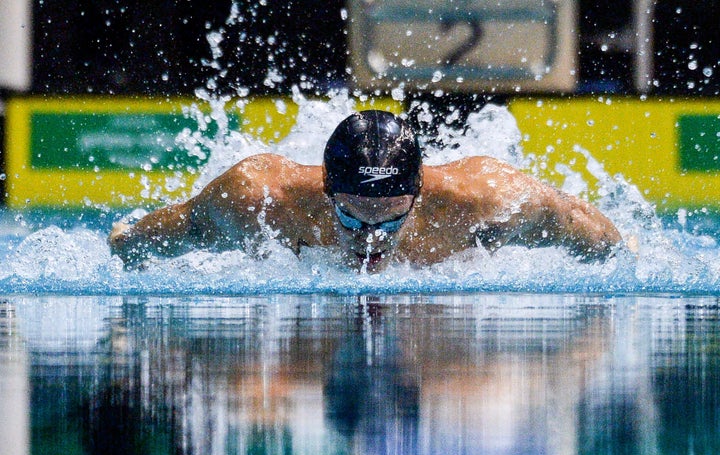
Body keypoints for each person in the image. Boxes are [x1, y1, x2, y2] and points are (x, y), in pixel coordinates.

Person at [109, 110, 622, 272]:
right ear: (327, 188)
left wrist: (624, 252)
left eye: (391, 219)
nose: (372, 237)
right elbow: (171, 232)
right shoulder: (258, 198)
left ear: (418, 193)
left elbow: (587, 230)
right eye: (352, 219)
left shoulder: (490, 200)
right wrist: (126, 241)